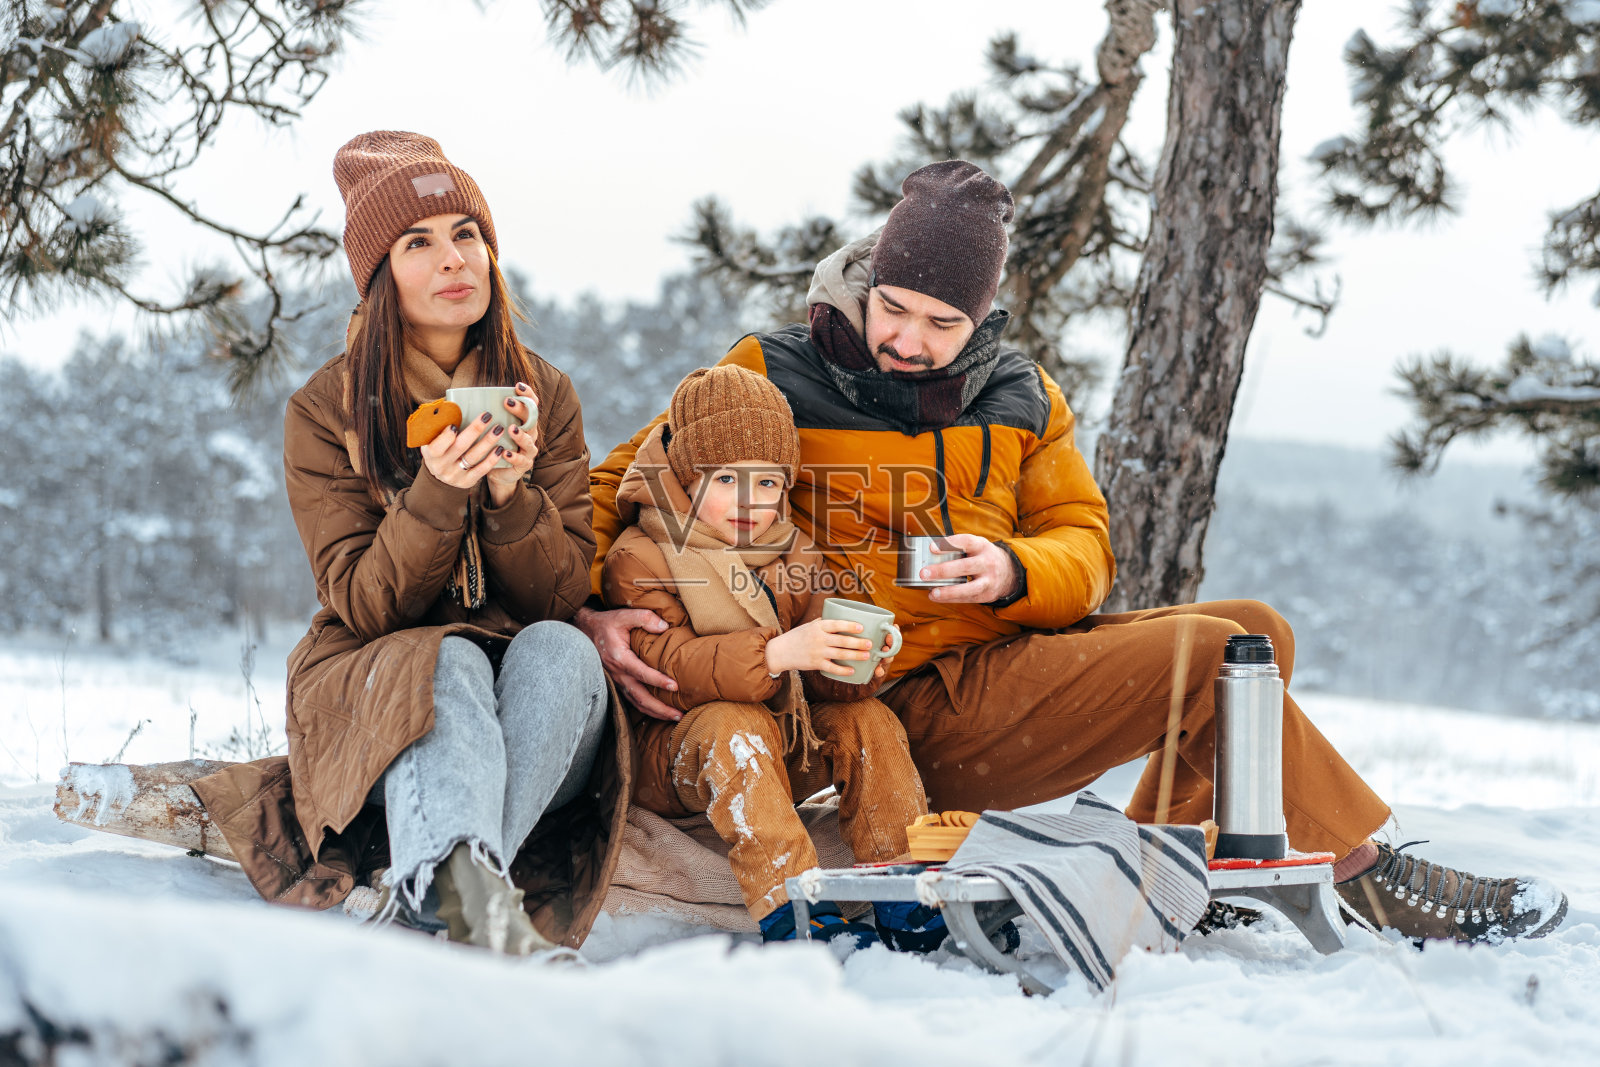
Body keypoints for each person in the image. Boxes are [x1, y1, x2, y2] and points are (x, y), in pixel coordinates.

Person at [578, 160, 1567, 945]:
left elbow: (1084, 548)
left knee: (1247, 638)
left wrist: (1011, 570)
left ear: (981, 320)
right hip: (849, 705)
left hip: (987, 682)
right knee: (1235, 652)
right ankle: (1362, 870)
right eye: (894, 309)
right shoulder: (768, 371)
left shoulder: (1021, 397)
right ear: (867, 278)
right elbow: (615, 486)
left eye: (942, 322)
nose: (909, 340)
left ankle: (1188, 857)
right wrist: (587, 605)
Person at [197, 131, 625, 955]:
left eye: (467, 234)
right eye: (418, 243)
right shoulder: (325, 411)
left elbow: (559, 595)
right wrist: (437, 491)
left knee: (561, 651)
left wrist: (508, 496)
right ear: (380, 275)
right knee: (446, 660)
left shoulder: (543, 394)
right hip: (376, 691)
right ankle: (468, 897)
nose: (452, 259)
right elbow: (362, 603)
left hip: (526, 718)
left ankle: (448, 888)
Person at [601, 365, 940, 949]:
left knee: (869, 722)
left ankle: (904, 887)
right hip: (675, 749)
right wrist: (779, 653)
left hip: (782, 734)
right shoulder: (643, 555)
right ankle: (794, 902)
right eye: (727, 479)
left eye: (768, 483)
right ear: (685, 476)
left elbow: (820, 665)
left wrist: (855, 658)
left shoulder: (792, 549)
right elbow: (669, 671)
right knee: (736, 725)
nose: (749, 502)